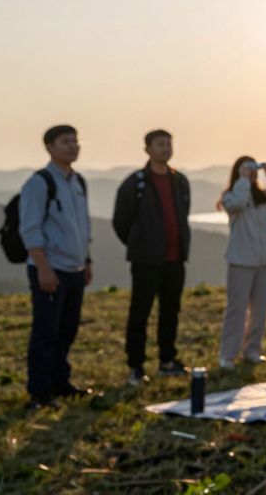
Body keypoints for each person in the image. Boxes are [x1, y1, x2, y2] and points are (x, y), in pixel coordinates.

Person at [19, 124, 92, 408]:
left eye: (75, 141)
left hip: (74, 268)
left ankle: (61, 383)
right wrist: (43, 269)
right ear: (49, 148)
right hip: (51, 268)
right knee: (46, 332)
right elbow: (30, 229)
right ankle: (39, 392)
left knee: (67, 330)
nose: (73, 146)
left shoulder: (77, 181)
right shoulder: (40, 183)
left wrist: (87, 260)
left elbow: (82, 226)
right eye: (65, 142)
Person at [112, 129, 192, 386]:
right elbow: (121, 221)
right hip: (146, 260)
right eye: (160, 144)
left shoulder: (179, 181)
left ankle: (167, 360)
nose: (166, 148)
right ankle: (136, 365)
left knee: (171, 310)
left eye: (169, 144)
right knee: (140, 313)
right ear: (147, 149)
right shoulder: (135, 183)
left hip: (175, 258)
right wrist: (140, 244)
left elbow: (182, 214)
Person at [217, 156, 266, 369]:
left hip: (264, 261)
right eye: (246, 168)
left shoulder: (264, 198)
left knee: (259, 310)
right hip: (241, 261)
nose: (251, 172)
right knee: (237, 309)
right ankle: (228, 354)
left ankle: (252, 350)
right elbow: (238, 203)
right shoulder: (231, 197)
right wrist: (243, 180)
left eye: (253, 168)